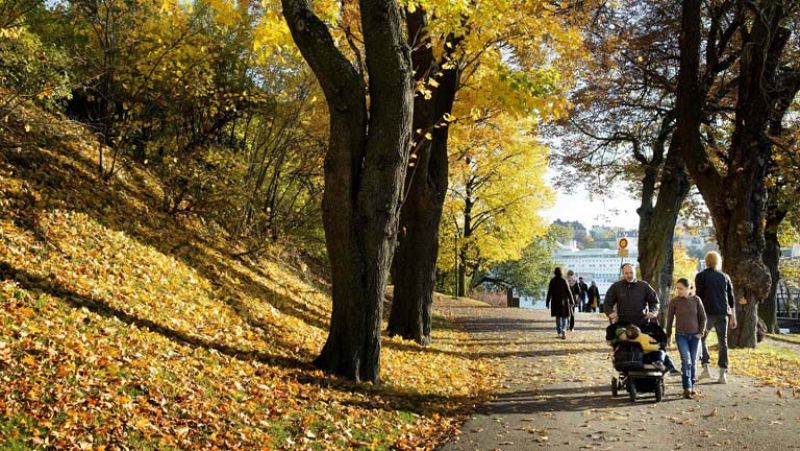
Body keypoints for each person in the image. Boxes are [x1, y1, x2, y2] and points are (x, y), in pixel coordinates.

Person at [696, 251, 737, 384]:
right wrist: (733, 316)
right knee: (723, 342)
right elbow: (731, 299)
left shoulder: (700, 276)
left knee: (700, 339)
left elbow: (699, 297)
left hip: (707, 313)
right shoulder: (725, 277)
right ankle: (722, 373)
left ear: (706, 261)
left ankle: (706, 366)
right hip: (723, 313)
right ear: (718, 261)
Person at [666, 278, 708, 399]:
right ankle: (687, 387)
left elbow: (703, 318)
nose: (678, 291)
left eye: (681, 288)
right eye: (677, 288)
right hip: (681, 336)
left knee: (693, 362)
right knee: (686, 361)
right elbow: (669, 320)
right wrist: (668, 336)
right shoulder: (674, 302)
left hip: (695, 336)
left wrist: (700, 333)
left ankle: (692, 385)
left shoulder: (696, 300)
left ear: (689, 288)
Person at [545, 267, 575, 339]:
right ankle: (564, 330)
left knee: (558, 317)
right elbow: (568, 291)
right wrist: (572, 301)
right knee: (564, 316)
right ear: (561, 272)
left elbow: (549, 292)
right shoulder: (564, 280)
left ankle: (559, 332)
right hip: (564, 301)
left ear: (555, 272)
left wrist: (547, 302)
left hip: (555, 301)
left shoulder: (552, 281)